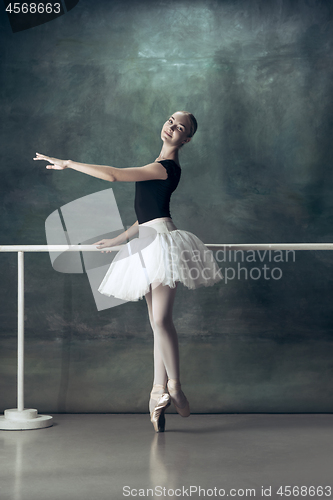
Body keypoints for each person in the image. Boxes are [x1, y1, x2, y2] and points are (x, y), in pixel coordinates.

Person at [34, 111, 223, 432]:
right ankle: (157, 392)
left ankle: (174, 386)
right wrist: (120, 238)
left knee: (161, 320)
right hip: (147, 241)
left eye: (181, 127)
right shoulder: (158, 164)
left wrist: (68, 163)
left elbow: (113, 176)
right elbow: (147, 213)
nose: (172, 126)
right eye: (171, 120)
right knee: (155, 323)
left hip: (162, 243)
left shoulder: (165, 168)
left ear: (186, 139)